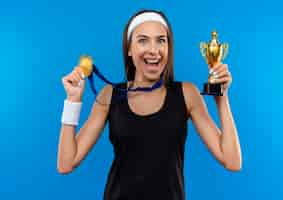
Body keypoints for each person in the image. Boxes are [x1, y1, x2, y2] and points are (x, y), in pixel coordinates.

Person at [57, 9, 242, 200]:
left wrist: (222, 99)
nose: (153, 50)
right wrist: (72, 101)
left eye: (161, 40)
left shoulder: (187, 93)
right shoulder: (110, 95)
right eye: (143, 40)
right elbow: (66, 163)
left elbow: (232, 161)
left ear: (169, 47)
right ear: (129, 48)